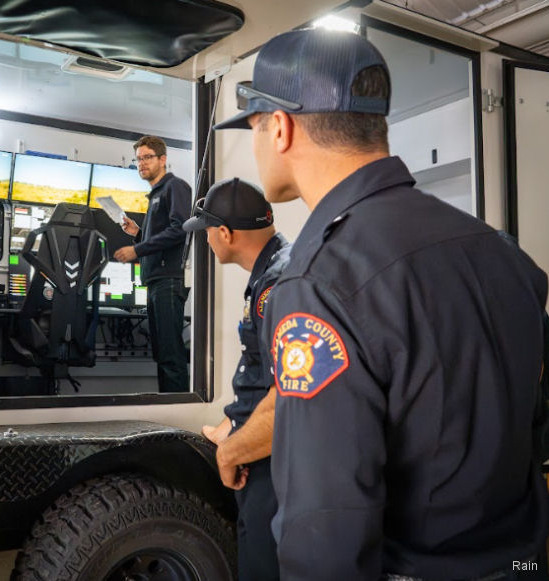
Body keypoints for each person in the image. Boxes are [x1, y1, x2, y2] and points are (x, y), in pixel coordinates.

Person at [215, 28, 549, 580]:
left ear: (279, 127)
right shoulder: (501, 252)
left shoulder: (321, 282)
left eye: (252, 126)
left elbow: (327, 529)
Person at [185, 177, 290, 581]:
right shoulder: (275, 271)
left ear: (225, 233)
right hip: (259, 445)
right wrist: (231, 423)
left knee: (263, 562)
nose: (207, 241)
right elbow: (263, 371)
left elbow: (290, 396)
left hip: (270, 460)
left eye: (208, 231)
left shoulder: (277, 287)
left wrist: (232, 451)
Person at [114, 136, 191, 392]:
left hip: (170, 279)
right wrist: (138, 233)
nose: (141, 164)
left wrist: (137, 248)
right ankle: (168, 405)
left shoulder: (175, 187)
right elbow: (162, 235)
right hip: (156, 279)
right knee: (161, 352)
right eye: (138, 159)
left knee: (170, 353)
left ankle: (179, 413)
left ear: (163, 159)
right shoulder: (155, 195)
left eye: (147, 157)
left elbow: (180, 230)